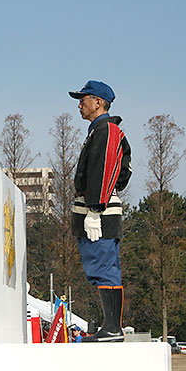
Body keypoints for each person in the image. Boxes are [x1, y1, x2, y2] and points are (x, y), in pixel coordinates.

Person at [69, 80, 132, 342]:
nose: (79, 104)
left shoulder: (106, 130)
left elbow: (104, 171)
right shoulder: (101, 131)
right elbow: (124, 173)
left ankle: (112, 328)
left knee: (103, 266)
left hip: (99, 212)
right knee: (102, 267)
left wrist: (96, 209)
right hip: (99, 208)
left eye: (84, 99)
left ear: (98, 103)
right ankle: (110, 327)